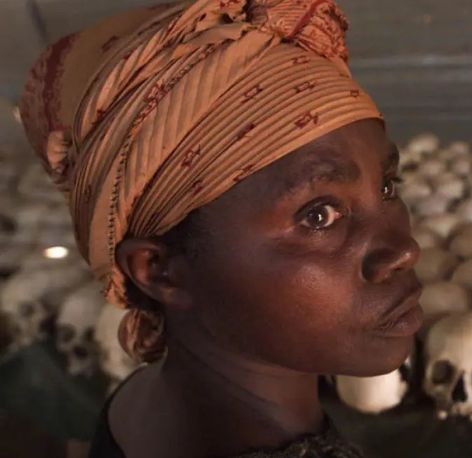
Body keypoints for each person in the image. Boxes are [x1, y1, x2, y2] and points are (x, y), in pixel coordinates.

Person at [18, 1, 422, 456]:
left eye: (388, 186)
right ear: (159, 270)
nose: (404, 250)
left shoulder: (150, 399)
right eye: (319, 216)